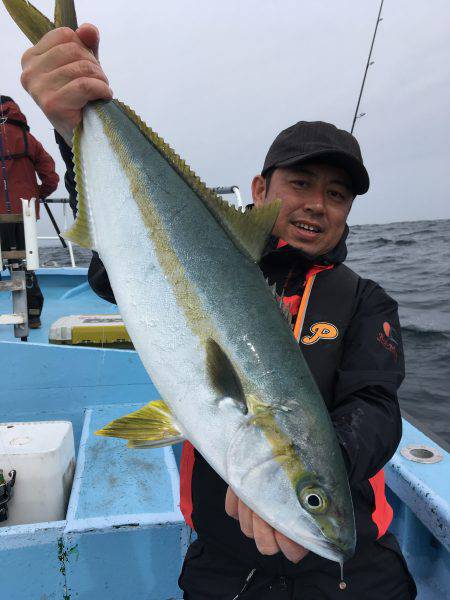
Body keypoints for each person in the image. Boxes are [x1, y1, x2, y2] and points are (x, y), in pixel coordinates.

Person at [19, 24, 417, 599]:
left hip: (353, 569)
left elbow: (376, 406)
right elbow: (118, 268)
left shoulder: (365, 299)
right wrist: (72, 130)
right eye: (300, 182)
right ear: (259, 188)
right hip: (227, 563)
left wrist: (310, 482)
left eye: (337, 195)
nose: (316, 204)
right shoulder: (213, 255)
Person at [0, 95, 59, 328]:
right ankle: (32, 315)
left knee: (8, 260)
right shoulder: (28, 139)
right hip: (24, 214)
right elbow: (51, 177)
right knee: (26, 263)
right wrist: (38, 196)